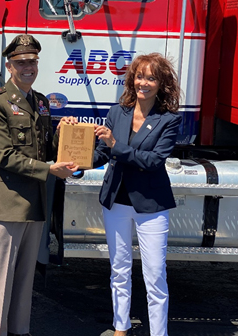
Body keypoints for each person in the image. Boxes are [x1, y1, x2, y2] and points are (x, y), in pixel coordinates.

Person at [0, 34, 78, 336]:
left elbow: (45, 150)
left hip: (34, 203)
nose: (28, 67)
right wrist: (49, 169)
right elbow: (4, 156)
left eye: (32, 61)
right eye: (21, 62)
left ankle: (20, 331)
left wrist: (64, 135)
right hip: (7, 203)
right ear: (9, 66)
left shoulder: (41, 103)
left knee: (24, 279)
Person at [93, 53, 182, 336]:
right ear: (132, 79)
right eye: (139, 76)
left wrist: (115, 144)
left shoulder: (168, 120)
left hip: (151, 206)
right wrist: (75, 162)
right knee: (119, 270)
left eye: (151, 78)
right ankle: (121, 327)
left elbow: (153, 161)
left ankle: (159, 332)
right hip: (115, 202)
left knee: (155, 275)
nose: (143, 83)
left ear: (161, 83)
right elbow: (101, 154)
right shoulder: (117, 112)